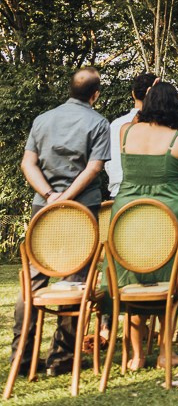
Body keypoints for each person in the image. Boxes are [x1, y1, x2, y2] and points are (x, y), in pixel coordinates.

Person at [12, 67, 110, 377]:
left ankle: (21, 358)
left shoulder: (43, 120)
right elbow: (94, 168)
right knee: (76, 280)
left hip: (44, 211)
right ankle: (61, 359)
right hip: (82, 210)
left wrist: (49, 194)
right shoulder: (98, 122)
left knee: (33, 281)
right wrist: (68, 196)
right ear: (95, 95)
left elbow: (28, 162)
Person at [110, 81, 178, 372]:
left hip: (128, 213)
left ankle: (136, 356)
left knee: (133, 277)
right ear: (176, 108)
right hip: (169, 214)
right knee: (170, 279)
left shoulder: (126, 132)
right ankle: (164, 353)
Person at [105, 72, 156, 198]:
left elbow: (107, 161)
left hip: (117, 195)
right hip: (151, 199)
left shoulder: (115, 125)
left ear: (133, 94)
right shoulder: (159, 127)